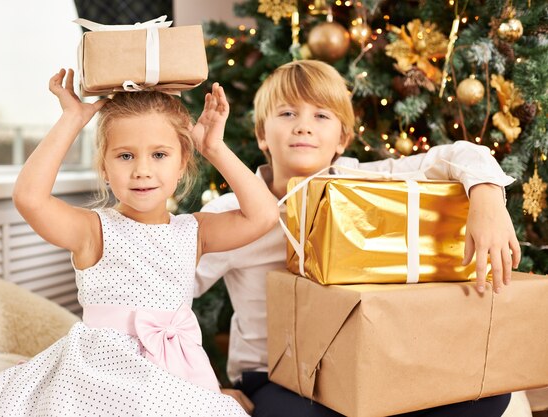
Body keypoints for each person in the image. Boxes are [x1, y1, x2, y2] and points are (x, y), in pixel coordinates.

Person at [196, 60, 520, 417]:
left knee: (488, 396)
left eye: (321, 116)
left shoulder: (364, 183)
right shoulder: (231, 212)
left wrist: (488, 196)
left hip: (363, 366)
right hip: (275, 377)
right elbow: (160, 288)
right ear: (261, 135)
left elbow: (460, 154)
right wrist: (204, 387)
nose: (303, 127)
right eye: (287, 113)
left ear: (343, 139)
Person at [0, 68, 279, 417]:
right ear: (105, 168)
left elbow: (263, 216)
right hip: (101, 375)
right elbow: (30, 198)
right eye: (126, 156)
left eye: (159, 155)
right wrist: (71, 119)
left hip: (173, 373)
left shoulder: (194, 231)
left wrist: (213, 147)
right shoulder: (93, 229)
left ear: (183, 162)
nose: (142, 170)